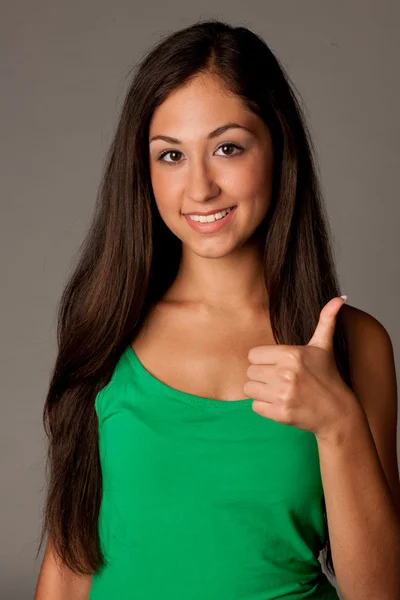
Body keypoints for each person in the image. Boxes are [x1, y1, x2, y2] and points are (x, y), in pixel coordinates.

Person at [34, 18, 400, 600]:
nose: (199, 187)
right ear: (143, 170)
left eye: (227, 148)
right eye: (171, 155)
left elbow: (378, 592)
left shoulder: (357, 346)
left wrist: (338, 424)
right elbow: (70, 562)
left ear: (277, 148)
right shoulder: (106, 329)